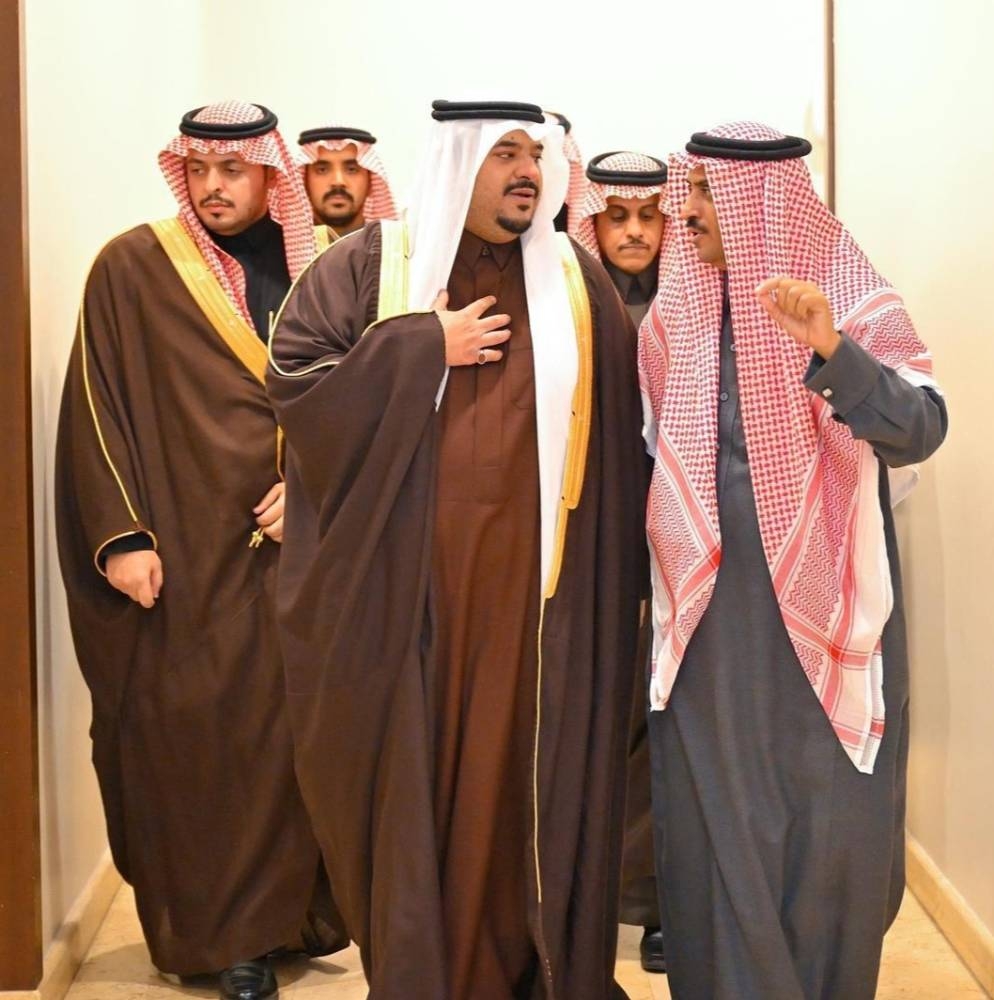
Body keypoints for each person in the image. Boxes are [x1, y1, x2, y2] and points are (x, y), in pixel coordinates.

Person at [267, 98, 648, 1000]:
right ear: (458, 160)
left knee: (525, 791)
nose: (526, 173)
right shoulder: (375, 266)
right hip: (409, 601)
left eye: (535, 155)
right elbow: (296, 382)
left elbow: (627, 438)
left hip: (542, 604)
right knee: (420, 792)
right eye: (503, 154)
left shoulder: (580, 285)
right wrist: (419, 345)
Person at [638, 121, 948, 1000]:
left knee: (826, 833)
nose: (686, 212)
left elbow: (920, 429)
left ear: (760, 202)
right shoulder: (674, 316)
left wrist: (832, 350)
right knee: (716, 836)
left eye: (706, 194)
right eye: (689, 190)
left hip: (826, 619)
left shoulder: (852, 299)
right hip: (706, 633)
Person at [55, 100, 346, 1000]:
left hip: (302, 556)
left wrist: (315, 487)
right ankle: (226, 939)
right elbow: (94, 404)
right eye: (199, 170)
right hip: (183, 552)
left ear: (270, 176)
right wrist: (121, 536)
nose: (213, 187)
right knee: (201, 744)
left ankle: (288, 922)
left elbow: (362, 397)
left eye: (233, 170)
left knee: (292, 742)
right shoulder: (133, 267)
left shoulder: (325, 268)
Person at [572, 148, 668, 973]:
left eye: (649, 216)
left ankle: (657, 900)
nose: (634, 232)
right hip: (584, 540)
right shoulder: (563, 301)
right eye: (617, 216)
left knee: (661, 715)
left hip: (677, 537)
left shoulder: (695, 302)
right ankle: (585, 898)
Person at [297, 124, 397, 246]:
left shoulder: (396, 249)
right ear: (304, 180)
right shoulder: (280, 250)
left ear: (370, 179)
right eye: (322, 170)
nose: (338, 181)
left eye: (351, 169)